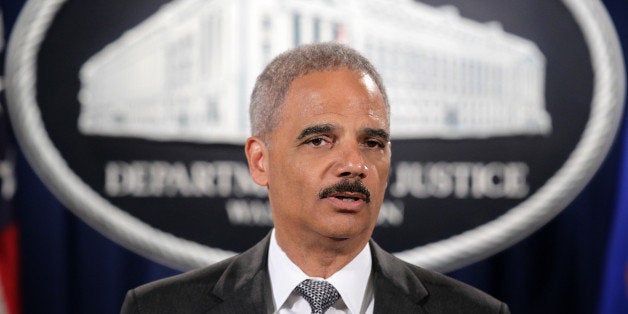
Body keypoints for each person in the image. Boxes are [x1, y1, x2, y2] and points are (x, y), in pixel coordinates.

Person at [121, 43, 510, 314]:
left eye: (372, 142)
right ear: (260, 162)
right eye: (320, 140)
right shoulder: (158, 309)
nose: (354, 164)